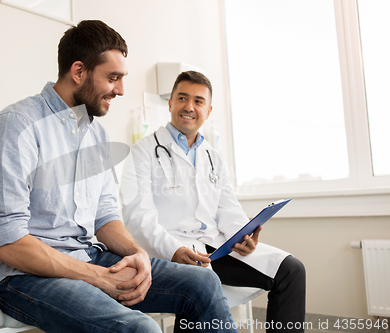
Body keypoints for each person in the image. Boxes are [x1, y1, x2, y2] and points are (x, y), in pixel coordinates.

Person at [0, 21, 237, 333]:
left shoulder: (96, 135)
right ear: (79, 72)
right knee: (141, 329)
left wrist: (138, 254)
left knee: (203, 282)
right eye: (113, 78)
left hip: (88, 256)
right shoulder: (17, 126)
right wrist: (97, 277)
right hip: (24, 276)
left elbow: (105, 217)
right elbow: (8, 243)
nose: (121, 90)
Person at [121, 71, 306, 332]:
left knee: (291, 270)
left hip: (215, 247)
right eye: (182, 98)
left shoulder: (213, 157)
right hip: (169, 250)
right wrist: (173, 250)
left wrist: (244, 235)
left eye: (198, 101)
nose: (189, 106)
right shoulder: (142, 152)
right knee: (198, 285)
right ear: (171, 103)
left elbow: (228, 208)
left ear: (208, 110)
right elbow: (137, 217)